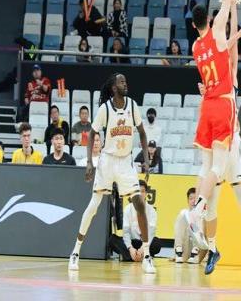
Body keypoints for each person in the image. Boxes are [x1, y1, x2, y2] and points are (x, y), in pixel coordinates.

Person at [184, 0, 241, 252]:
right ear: (208, 18)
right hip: (221, 103)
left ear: (193, 24)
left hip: (205, 105)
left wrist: (239, 35)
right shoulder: (217, 30)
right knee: (219, 168)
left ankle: (197, 210)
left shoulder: (196, 47)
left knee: (206, 166)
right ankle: (197, 210)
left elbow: (220, 52)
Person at [68, 73, 155, 274]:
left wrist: (146, 159)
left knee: (139, 204)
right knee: (93, 207)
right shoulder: (105, 109)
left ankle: (147, 256)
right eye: (122, 82)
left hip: (125, 161)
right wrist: (89, 162)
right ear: (114, 88)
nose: (126, 84)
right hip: (107, 160)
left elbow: (142, 133)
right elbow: (92, 134)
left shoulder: (132, 105)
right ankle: (75, 252)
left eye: (126, 81)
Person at [200, 0, 241, 275]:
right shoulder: (213, 76)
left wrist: (235, 10)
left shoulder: (230, 74)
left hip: (232, 143)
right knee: (212, 205)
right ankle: (213, 250)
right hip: (218, 141)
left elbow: (230, 46)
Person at [109, 180, 161, 261]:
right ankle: (141, 255)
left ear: (146, 193)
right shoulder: (128, 209)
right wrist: (130, 248)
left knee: (157, 243)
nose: (140, 194)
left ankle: (129, 256)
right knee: (112, 239)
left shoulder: (151, 210)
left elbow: (151, 232)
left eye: (142, 191)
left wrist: (143, 247)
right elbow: (126, 232)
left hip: (144, 243)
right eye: (137, 192)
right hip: (132, 242)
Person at [174, 187, 207, 264]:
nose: (193, 201)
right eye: (191, 198)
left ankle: (195, 251)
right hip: (186, 250)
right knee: (182, 214)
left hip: (199, 250)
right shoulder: (184, 214)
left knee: (199, 217)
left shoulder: (205, 214)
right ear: (188, 201)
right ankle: (178, 251)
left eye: (195, 199)